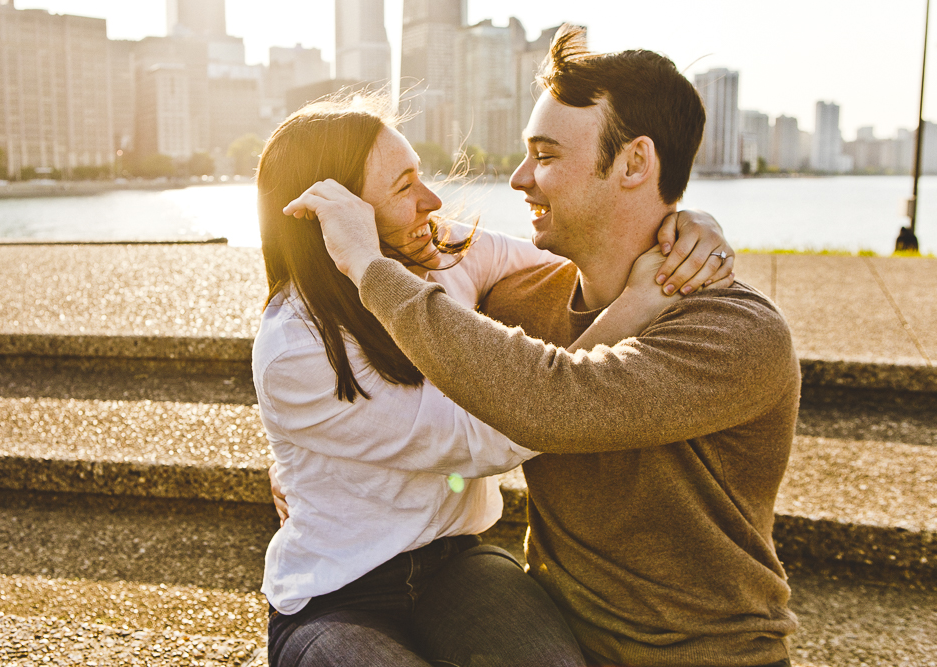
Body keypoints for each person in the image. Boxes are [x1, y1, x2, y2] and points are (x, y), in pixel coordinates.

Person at [286, 25, 800, 667]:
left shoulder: (736, 333)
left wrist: (367, 266)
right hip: (555, 637)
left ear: (635, 163)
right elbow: (419, 337)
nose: (520, 179)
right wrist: (306, 470)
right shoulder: (522, 301)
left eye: (547, 156)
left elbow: (556, 399)